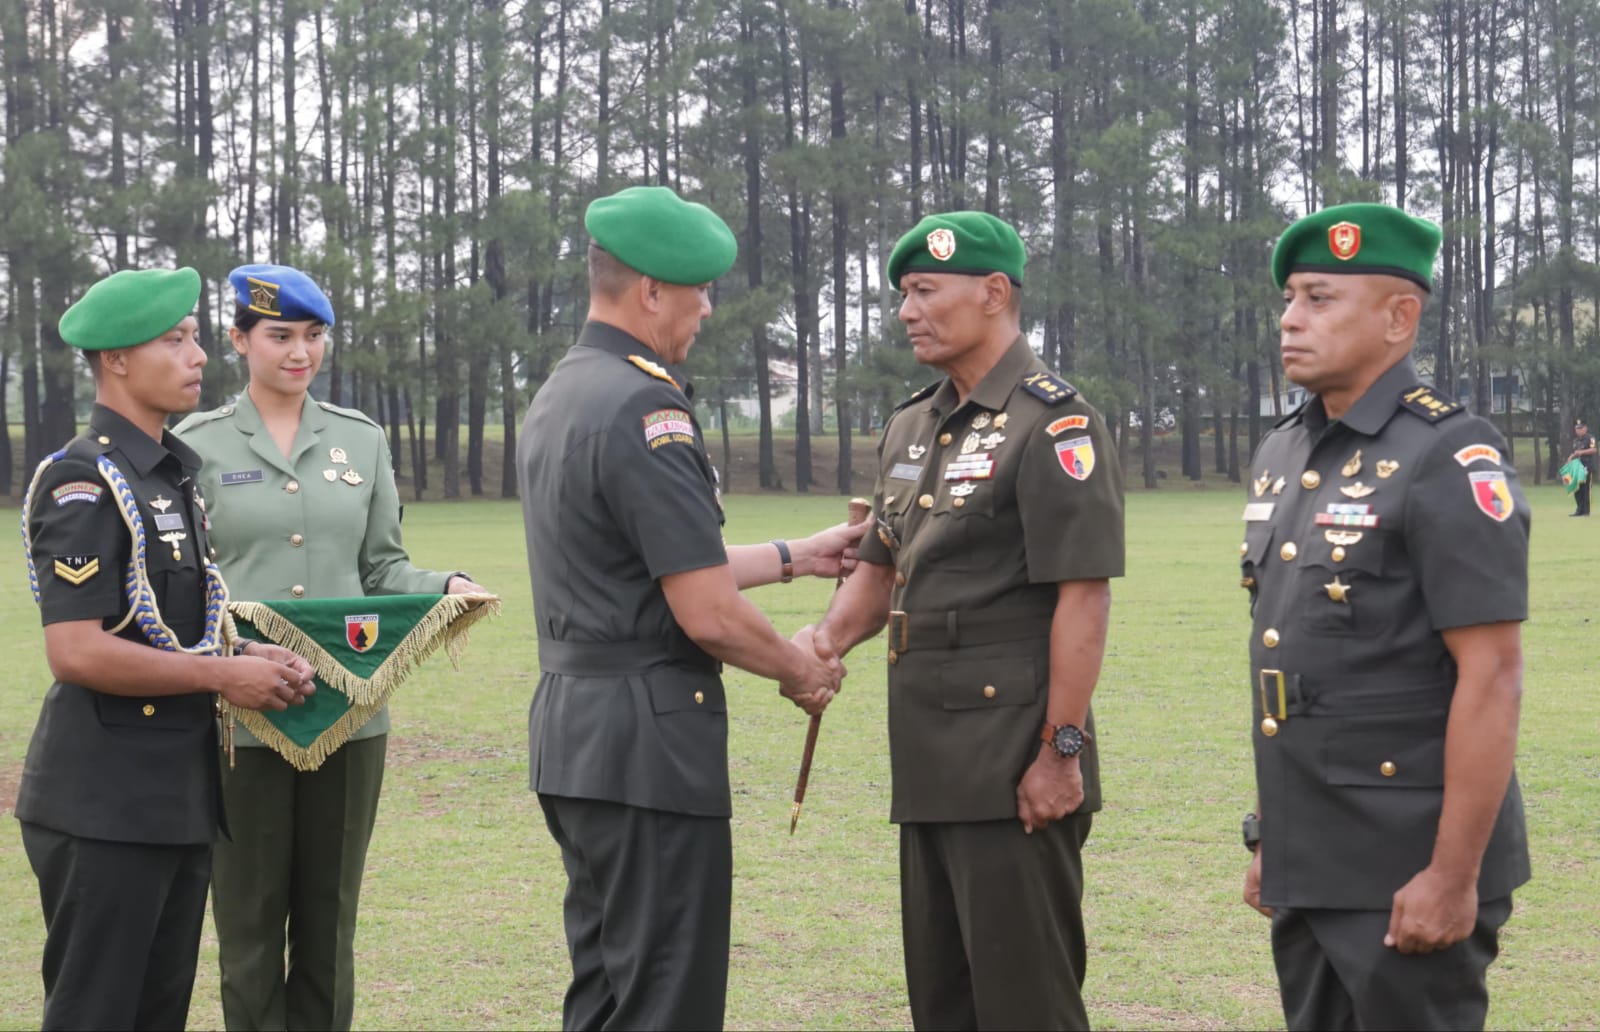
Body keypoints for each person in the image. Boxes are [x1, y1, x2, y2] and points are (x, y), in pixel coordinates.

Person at [517, 184, 865, 1031]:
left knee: (606, 991)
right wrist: (797, 669)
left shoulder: (566, 390)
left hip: (575, 734)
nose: (706, 308)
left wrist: (796, 556)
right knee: (667, 998)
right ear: (650, 291)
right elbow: (703, 610)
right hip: (649, 746)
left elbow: (655, 567)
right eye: (698, 290)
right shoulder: (648, 405)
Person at [808, 211, 1126, 1030]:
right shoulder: (911, 424)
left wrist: (1061, 752)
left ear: (993, 293)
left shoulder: (1054, 423)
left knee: (1026, 1005)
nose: (907, 312)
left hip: (1014, 756)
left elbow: (1083, 598)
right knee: (943, 1001)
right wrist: (822, 646)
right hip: (927, 756)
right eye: (903, 295)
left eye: (924, 291)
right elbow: (881, 566)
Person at [1238, 203, 1531, 1030]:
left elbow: (1492, 674)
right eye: (1290, 299)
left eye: (1320, 299)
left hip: (1408, 860)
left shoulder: (1448, 454)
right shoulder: (1285, 450)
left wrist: (1452, 876)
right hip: (1313, 854)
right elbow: (1297, 668)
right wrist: (1274, 838)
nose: (1291, 320)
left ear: (1400, 318)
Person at [174, 264, 487, 1032]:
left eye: (314, 336)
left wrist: (443, 583)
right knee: (248, 928)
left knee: (330, 924)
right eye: (280, 335)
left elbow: (382, 568)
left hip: (349, 711)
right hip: (239, 718)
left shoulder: (360, 439)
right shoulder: (193, 445)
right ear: (239, 339)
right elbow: (183, 588)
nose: (300, 352)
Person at [16, 267, 315, 1030]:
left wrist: (248, 655)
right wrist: (221, 677)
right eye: (174, 340)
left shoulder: (166, 473)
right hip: (105, 802)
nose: (198, 355)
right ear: (117, 359)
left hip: (173, 796)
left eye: (194, 337)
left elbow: (168, 622)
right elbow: (76, 651)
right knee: (97, 1014)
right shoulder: (84, 480)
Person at [1567, 417, 1595, 516]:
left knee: (1585, 488)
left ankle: (1586, 511)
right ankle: (1579, 510)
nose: (1578, 431)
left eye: (1580, 428)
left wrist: (1582, 452)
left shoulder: (1590, 438)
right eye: (1577, 429)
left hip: (1586, 465)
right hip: (1576, 466)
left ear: (1585, 428)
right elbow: (1575, 452)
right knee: (1576, 488)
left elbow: (1594, 450)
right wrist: (1570, 457)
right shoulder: (1575, 440)